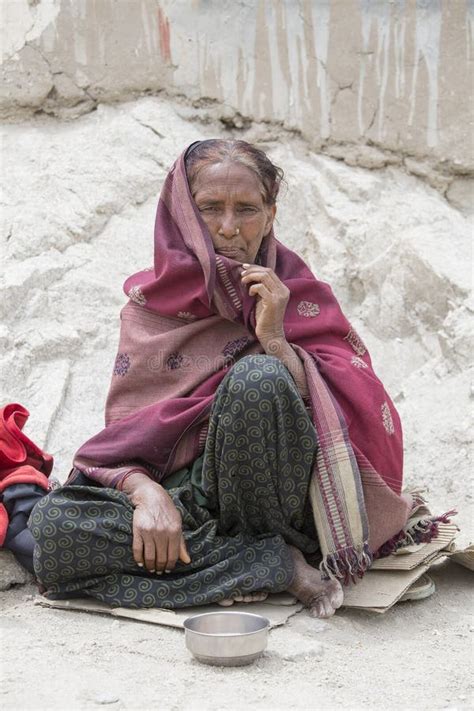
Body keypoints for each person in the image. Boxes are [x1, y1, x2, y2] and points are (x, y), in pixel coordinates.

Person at [28, 139, 447, 619]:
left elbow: (354, 416)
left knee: (260, 378)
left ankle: (248, 558)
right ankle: (269, 567)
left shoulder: (301, 297)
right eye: (210, 208)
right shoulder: (150, 307)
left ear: (270, 215)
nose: (229, 229)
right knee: (54, 527)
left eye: (247, 209)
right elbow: (128, 439)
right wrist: (147, 495)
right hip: (190, 504)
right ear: (183, 214)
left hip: (289, 507)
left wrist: (274, 340)